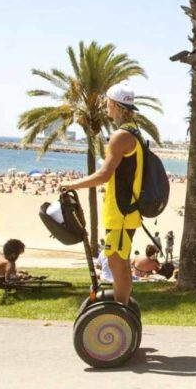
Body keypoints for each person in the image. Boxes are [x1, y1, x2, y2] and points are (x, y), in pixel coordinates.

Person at [61, 83, 145, 307]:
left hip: (121, 212)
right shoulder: (133, 131)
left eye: (107, 102)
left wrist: (73, 184)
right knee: (119, 262)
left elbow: (104, 174)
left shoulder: (121, 136)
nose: (105, 105)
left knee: (117, 263)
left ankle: (120, 313)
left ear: (115, 105)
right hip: (124, 211)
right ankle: (122, 310)